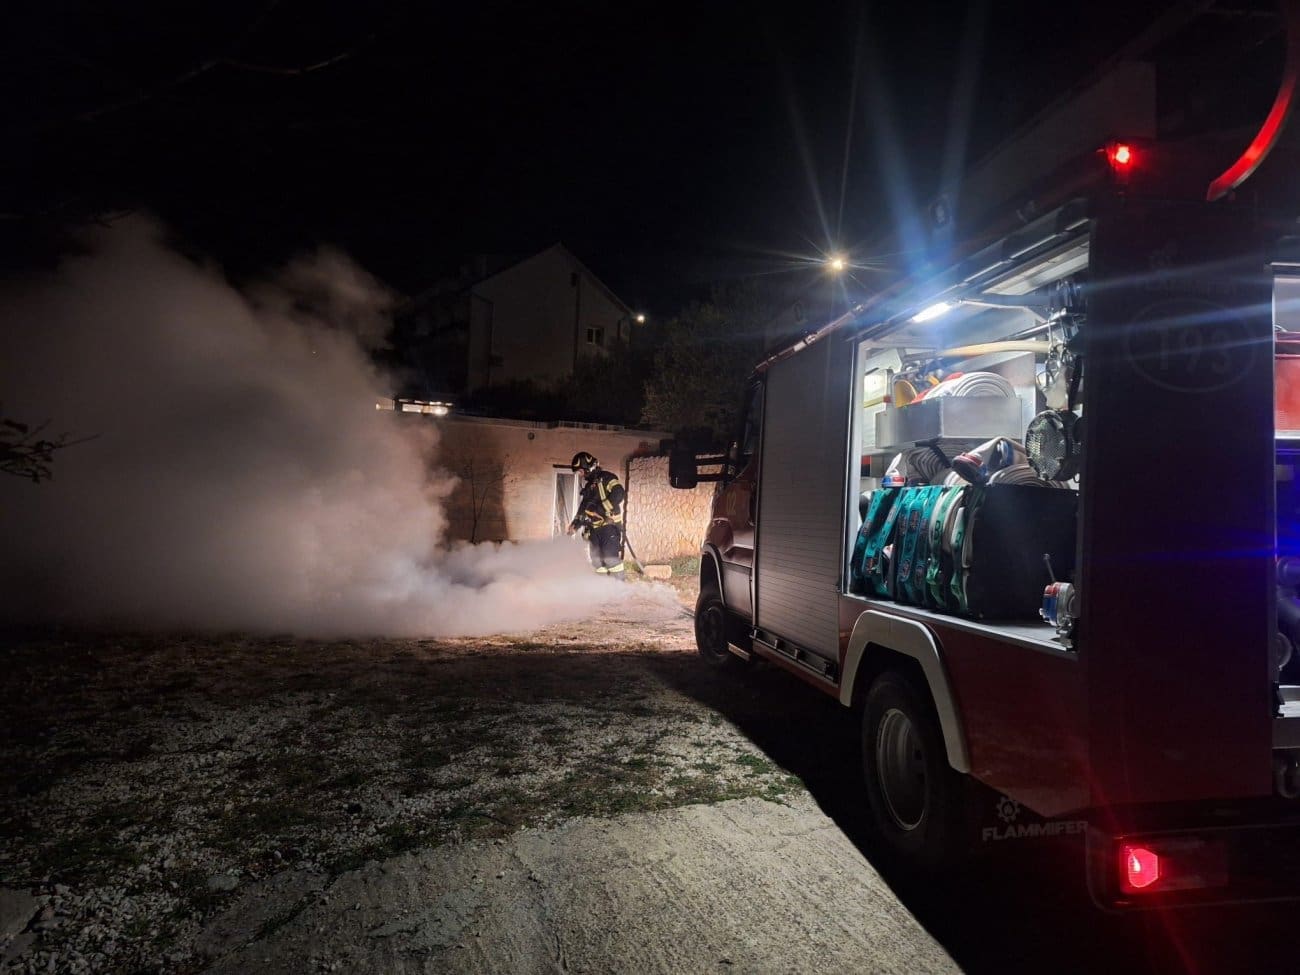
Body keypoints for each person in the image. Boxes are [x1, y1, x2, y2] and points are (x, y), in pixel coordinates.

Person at [566, 451, 627, 576]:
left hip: (608, 527)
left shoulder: (606, 478)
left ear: (588, 468)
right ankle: (601, 587)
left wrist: (601, 509)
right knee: (597, 563)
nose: (580, 475)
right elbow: (584, 508)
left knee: (610, 560)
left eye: (580, 471)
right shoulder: (589, 487)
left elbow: (619, 493)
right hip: (593, 530)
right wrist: (575, 524)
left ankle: (618, 586)